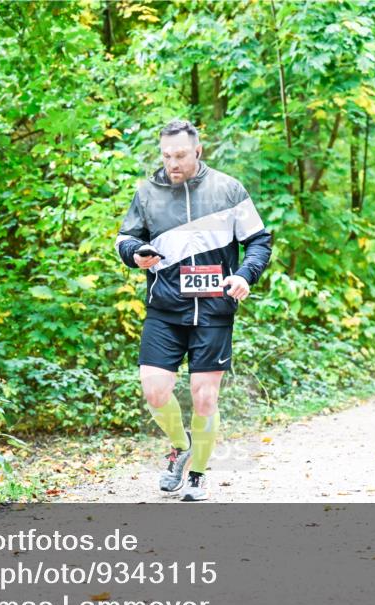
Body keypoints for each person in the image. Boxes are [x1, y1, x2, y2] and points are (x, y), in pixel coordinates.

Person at [115, 119, 272, 501]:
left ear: (197, 151)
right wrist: (135, 255)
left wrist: (245, 275)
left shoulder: (229, 189)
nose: (173, 163)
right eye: (167, 155)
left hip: (215, 310)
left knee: (204, 397)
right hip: (165, 309)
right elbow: (125, 238)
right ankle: (179, 445)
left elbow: (259, 241)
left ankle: (198, 474)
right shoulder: (147, 192)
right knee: (154, 391)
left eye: (181, 155)